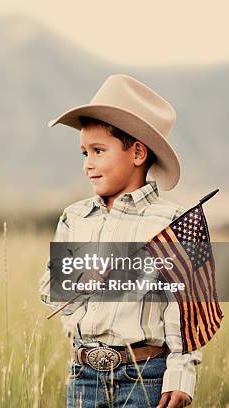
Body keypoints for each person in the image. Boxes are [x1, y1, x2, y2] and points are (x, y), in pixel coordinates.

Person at [39, 74, 200, 407]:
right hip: (84, 376)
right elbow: (49, 290)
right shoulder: (76, 218)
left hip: (145, 376)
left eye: (98, 150)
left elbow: (185, 309)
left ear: (138, 153)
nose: (88, 164)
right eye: (84, 152)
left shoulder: (170, 222)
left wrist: (181, 373)